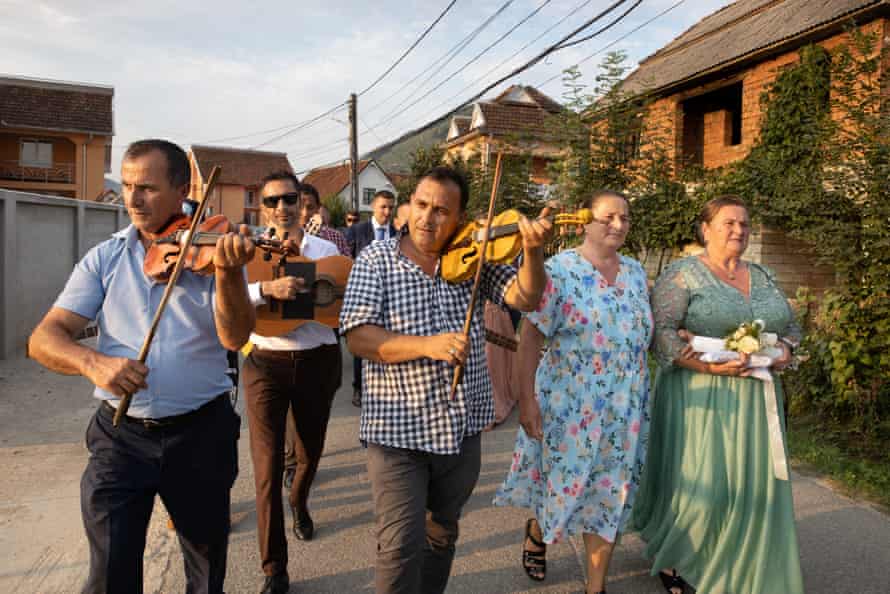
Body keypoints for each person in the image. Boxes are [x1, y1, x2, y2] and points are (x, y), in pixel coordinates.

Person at [27, 139, 255, 594]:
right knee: (109, 573)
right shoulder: (106, 257)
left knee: (206, 569)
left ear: (181, 189)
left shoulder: (211, 247)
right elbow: (43, 339)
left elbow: (235, 337)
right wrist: (94, 364)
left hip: (200, 434)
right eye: (128, 185)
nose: (132, 198)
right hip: (120, 435)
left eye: (147, 187)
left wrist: (228, 273)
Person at [339, 166, 553, 594]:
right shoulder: (376, 260)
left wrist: (532, 252)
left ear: (460, 218)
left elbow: (527, 297)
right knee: (399, 544)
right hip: (396, 430)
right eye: (421, 205)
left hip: (460, 431)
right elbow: (359, 337)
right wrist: (427, 346)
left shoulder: (476, 259)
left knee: (442, 534)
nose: (427, 218)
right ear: (408, 205)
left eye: (441, 210)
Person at [631, 195, 803, 594]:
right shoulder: (683, 275)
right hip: (699, 394)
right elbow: (662, 334)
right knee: (701, 482)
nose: (738, 230)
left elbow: (791, 326)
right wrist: (706, 365)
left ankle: (748, 556)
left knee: (753, 485)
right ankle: (678, 556)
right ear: (705, 229)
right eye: (728, 223)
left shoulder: (761, 274)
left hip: (758, 398)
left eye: (744, 223)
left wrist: (785, 352)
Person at [493, 190, 652, 594]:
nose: (618, 225)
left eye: (625, 218)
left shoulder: (635, 272)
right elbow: (529, 338)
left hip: (625, 408)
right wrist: (526, 400)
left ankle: (595, 586)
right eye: (608, 218)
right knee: (561, 488)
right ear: (585, 222)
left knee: (608, 494)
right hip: (569, 403)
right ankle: (537, 530)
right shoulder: (558, 270)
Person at [242, 171, 342, 594]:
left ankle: (299, 501)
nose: (281, 207)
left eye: (288, 199)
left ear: (302, 202)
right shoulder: (247, 251)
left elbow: (344, 297)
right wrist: (265, 287)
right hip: (264, 362)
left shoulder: (327, 251)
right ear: (261, 208)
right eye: (272, 201)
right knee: (265, 470)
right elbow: (223, 297)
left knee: (309, 455)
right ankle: (274, 570)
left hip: (318, 360)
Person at [344, 189, 396, 407]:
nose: (387, 211)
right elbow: (344, 259)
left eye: (391, 207)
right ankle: (359, 388)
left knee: (386, 343)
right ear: (373, 207)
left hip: (390, 297)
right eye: (383, 206)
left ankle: (385, 389)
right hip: (362, 295)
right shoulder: (357, 231)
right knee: (362, 341)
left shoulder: (398, 233)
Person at [298, 182, 350, 256]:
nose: (305, 213)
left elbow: (347, 266)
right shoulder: (283, 238)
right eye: (299, 207)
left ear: (318, 208)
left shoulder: (336, 237)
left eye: (310, 207)